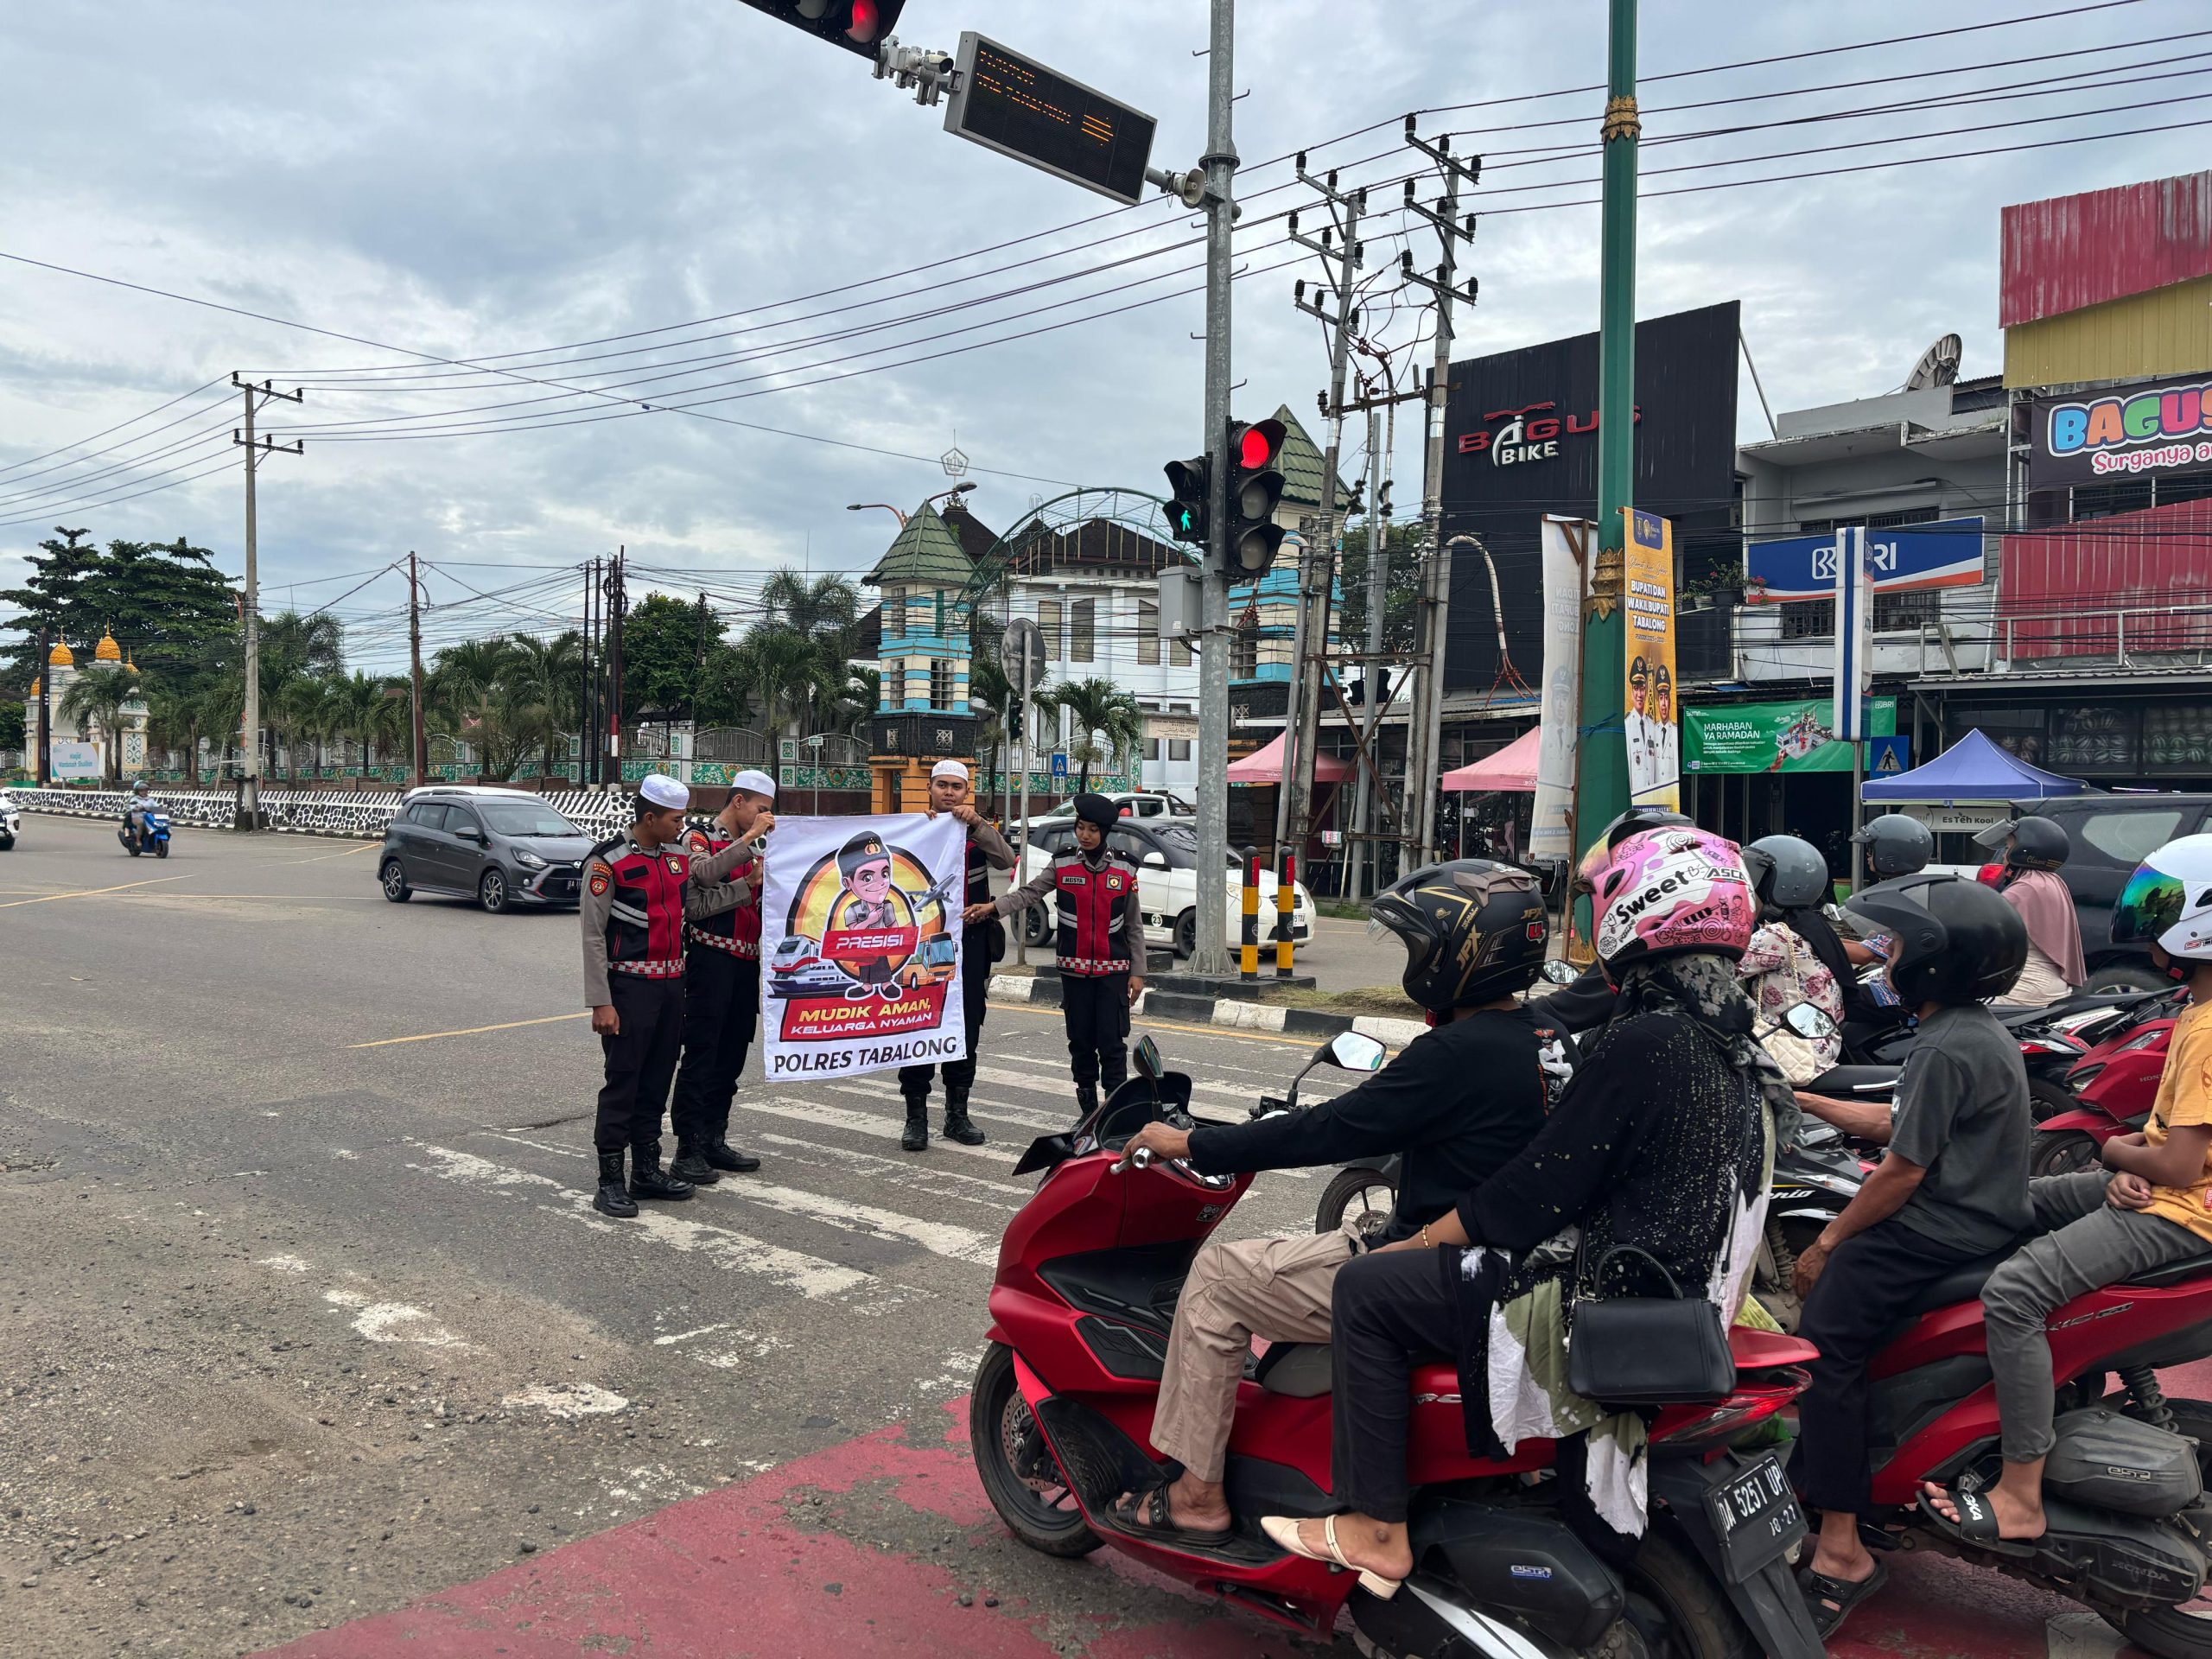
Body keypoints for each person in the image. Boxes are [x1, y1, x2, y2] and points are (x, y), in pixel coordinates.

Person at [1262, 818, 1779, 1596]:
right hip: (1674, 1292)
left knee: (1364, 1291)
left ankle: (1375, 1527)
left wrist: (1419, 1243)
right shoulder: (1729, 1037)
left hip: (1598, 1299)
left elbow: (1537, 1188)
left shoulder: (1647, 1038)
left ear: (1641, 908)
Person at [1104, 861, 1569, 1544]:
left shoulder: (1454, 1052)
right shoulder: (1550, 1039)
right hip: (1512, 1268)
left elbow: (1327, 1130)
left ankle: (1196, 1495)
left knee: (1216, 1279)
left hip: (1431, 1272)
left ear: (1461, 956)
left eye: (1423, 946)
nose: (1416, 961)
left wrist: (1193, 1145)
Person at [1921, 835, 2212, 1554]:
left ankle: (2019, 1490)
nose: (2147, 920)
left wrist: (2114, 1151)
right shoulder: (2195, 1009)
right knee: (2022, 1199)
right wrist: (2130, 1156)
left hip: (2182, 1214)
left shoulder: (2207, 1027)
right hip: (2172, 1190)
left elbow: (2175, 1163)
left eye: (2163, 904)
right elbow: (2168, 1141)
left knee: (2015, 1293)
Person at [1788, 873, 2031, 1640]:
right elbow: (1900, 1122)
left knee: (1824, 1353)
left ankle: (1838, 1547)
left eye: (1895, 947)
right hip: (1984, 1219)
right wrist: (1806, 1099)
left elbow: (1901, 1170)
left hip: (1939, 1228)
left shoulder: (1943, 1046)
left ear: (1932, 960)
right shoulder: (1974, 1032)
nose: (1884, 957)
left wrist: (1827, 1244)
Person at [579, 773, 760, 1219]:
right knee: (625, 1080)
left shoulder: (677, 859)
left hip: (672, 985)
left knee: (658, 1079)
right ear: (650, 817)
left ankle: (646, 1169)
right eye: (676, 819)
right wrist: (601, 1000)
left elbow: (696, 908)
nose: (683, 827)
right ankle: (609, 1180)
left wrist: (747, 886)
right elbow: (593, 936)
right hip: (629, 987)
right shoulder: (608, 862)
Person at [980, 791, 1143, 1115]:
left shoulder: (1125, 868)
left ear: (1105, 832)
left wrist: (1138, 972)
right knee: (1081, 1045)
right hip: (1074, 975)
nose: (1085, 835)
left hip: (1114, 974)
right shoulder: (1063, 862)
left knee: (1112, 1046)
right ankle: (1088, 1115)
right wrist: (992, 908)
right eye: (1081, 827)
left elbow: (1134, 925)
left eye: (1092, 830)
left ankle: (1112, 1117)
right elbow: (1028, 894)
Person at [667, 768, 777, 1187]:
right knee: (701, 1054)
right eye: (761, 810)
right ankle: (687, 1148)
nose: (766, 818)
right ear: (738, 803)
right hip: (710, 959)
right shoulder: (698, 838)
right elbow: (699, 889)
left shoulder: (763, 845)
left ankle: (715, 1137)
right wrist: (748, 860)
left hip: (747, 962)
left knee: (731, 1054)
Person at [900, 760, 1013, 1151]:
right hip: (924, 944)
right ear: (929, 789)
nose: (949, 793)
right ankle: (916, 1117)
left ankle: (957, 1115)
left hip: (972, 943)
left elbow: (1007, 860)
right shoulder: (915, 831)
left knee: (965, 1025)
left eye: (957, 787)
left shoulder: (978, 833)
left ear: (968, 794)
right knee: (919, 1024)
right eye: (942, 786)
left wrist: (979, 825)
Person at [1737, 835, 1847, 1083]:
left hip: (1791, 1048)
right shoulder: (1811, 924)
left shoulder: (1777, 936)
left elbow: (1719, 970)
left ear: (1777, 885)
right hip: (1821, 1044)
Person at [1976, 814, 2084, 1007]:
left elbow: (1985, 933)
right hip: (2051, 983)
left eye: (2008, 848)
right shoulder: (2051, 882)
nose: (2003, 855)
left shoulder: (2025, 889)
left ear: (2024, 851)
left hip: (2026, 988)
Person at [123, 779, 160, 850]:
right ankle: (138, 840)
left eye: (145, 790)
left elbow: (156, 805)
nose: (144, 792)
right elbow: (132, 806)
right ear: (138, 791)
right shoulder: (134, 798)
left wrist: (162, 808)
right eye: (141, 790)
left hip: (148, 816)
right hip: (138, 816)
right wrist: (135, 808)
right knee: (140, 824)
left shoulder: (150, 799)